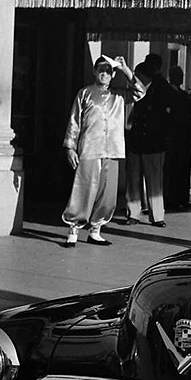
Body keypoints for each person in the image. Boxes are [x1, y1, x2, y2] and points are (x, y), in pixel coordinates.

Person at [61, 55, 144, 247]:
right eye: (101, 70)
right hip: (89, 148)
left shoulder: (120, 95)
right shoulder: (85, 93)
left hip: (113, 149)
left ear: (113, 74)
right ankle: (73, 228)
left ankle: (96, 230)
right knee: (84, 189)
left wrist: (125, 69)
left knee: (107, 192)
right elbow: (74, 121)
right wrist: (70, 147)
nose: (105, 74)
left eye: (109, 71)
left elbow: (140, 92)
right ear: (94, 71)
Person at [124, 62, 172, 227]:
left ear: (143, 75)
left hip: (154, 141)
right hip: (136, 140)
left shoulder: (161, 90)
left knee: (154, 181)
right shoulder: (135, 91)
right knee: (133, 179)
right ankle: (133, 213)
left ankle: (157, 216)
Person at [163, 65, 191, 212]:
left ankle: (183, 197)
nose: (181, 78)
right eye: (178, 75)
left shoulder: (185, 95)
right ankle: (170, 198)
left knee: (184, 168)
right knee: (172, 169)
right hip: (173, 137)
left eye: (181, 75)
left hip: (186, 137)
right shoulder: (167, 93)